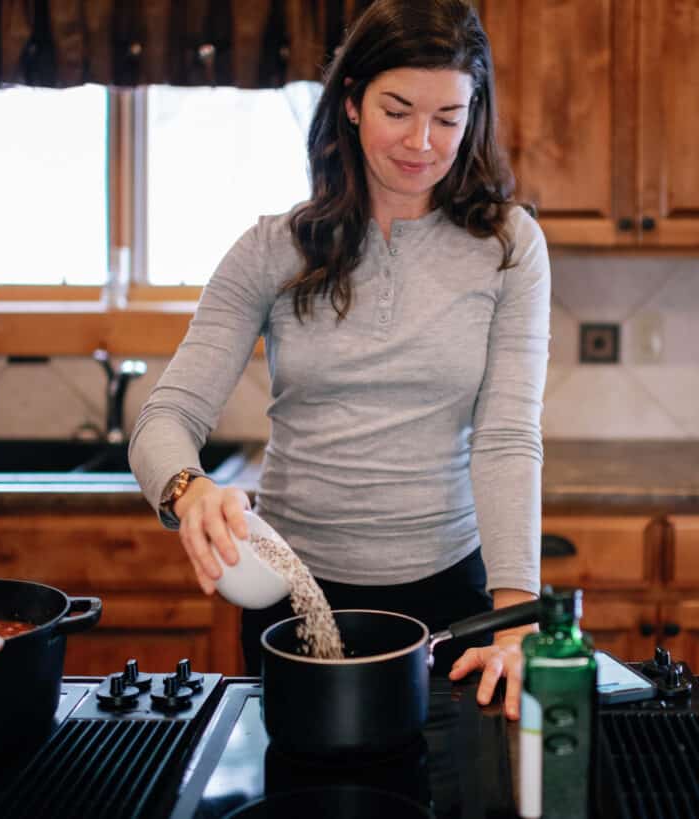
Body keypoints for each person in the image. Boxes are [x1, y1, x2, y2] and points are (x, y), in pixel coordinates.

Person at [129, 0, 550, 721]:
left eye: (449, 117)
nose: (423, 142)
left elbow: (507, 438)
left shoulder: (510, 247)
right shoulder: (273, 249)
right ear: (351, 103)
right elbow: (166, 416)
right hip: (292, 592)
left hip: (453, 598)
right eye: (398, 109)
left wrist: (514, 615)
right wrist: (187, 489)